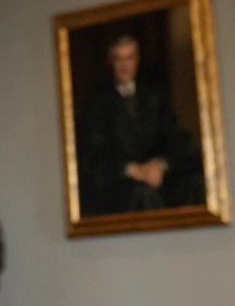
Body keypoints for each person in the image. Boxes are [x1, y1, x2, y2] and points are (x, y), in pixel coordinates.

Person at [76, 35, 203, 215]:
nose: (125, 66)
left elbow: (178, 139)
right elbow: (94, 154)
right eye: (119, 60)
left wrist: (160, 164)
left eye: (129, 58)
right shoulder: (98, 102)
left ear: (137, 60)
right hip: (121, 181)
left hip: (159, 174)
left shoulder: (154, 95)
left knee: (195, 183)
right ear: (111, 63)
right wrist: (132, 170)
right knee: (142, 194)